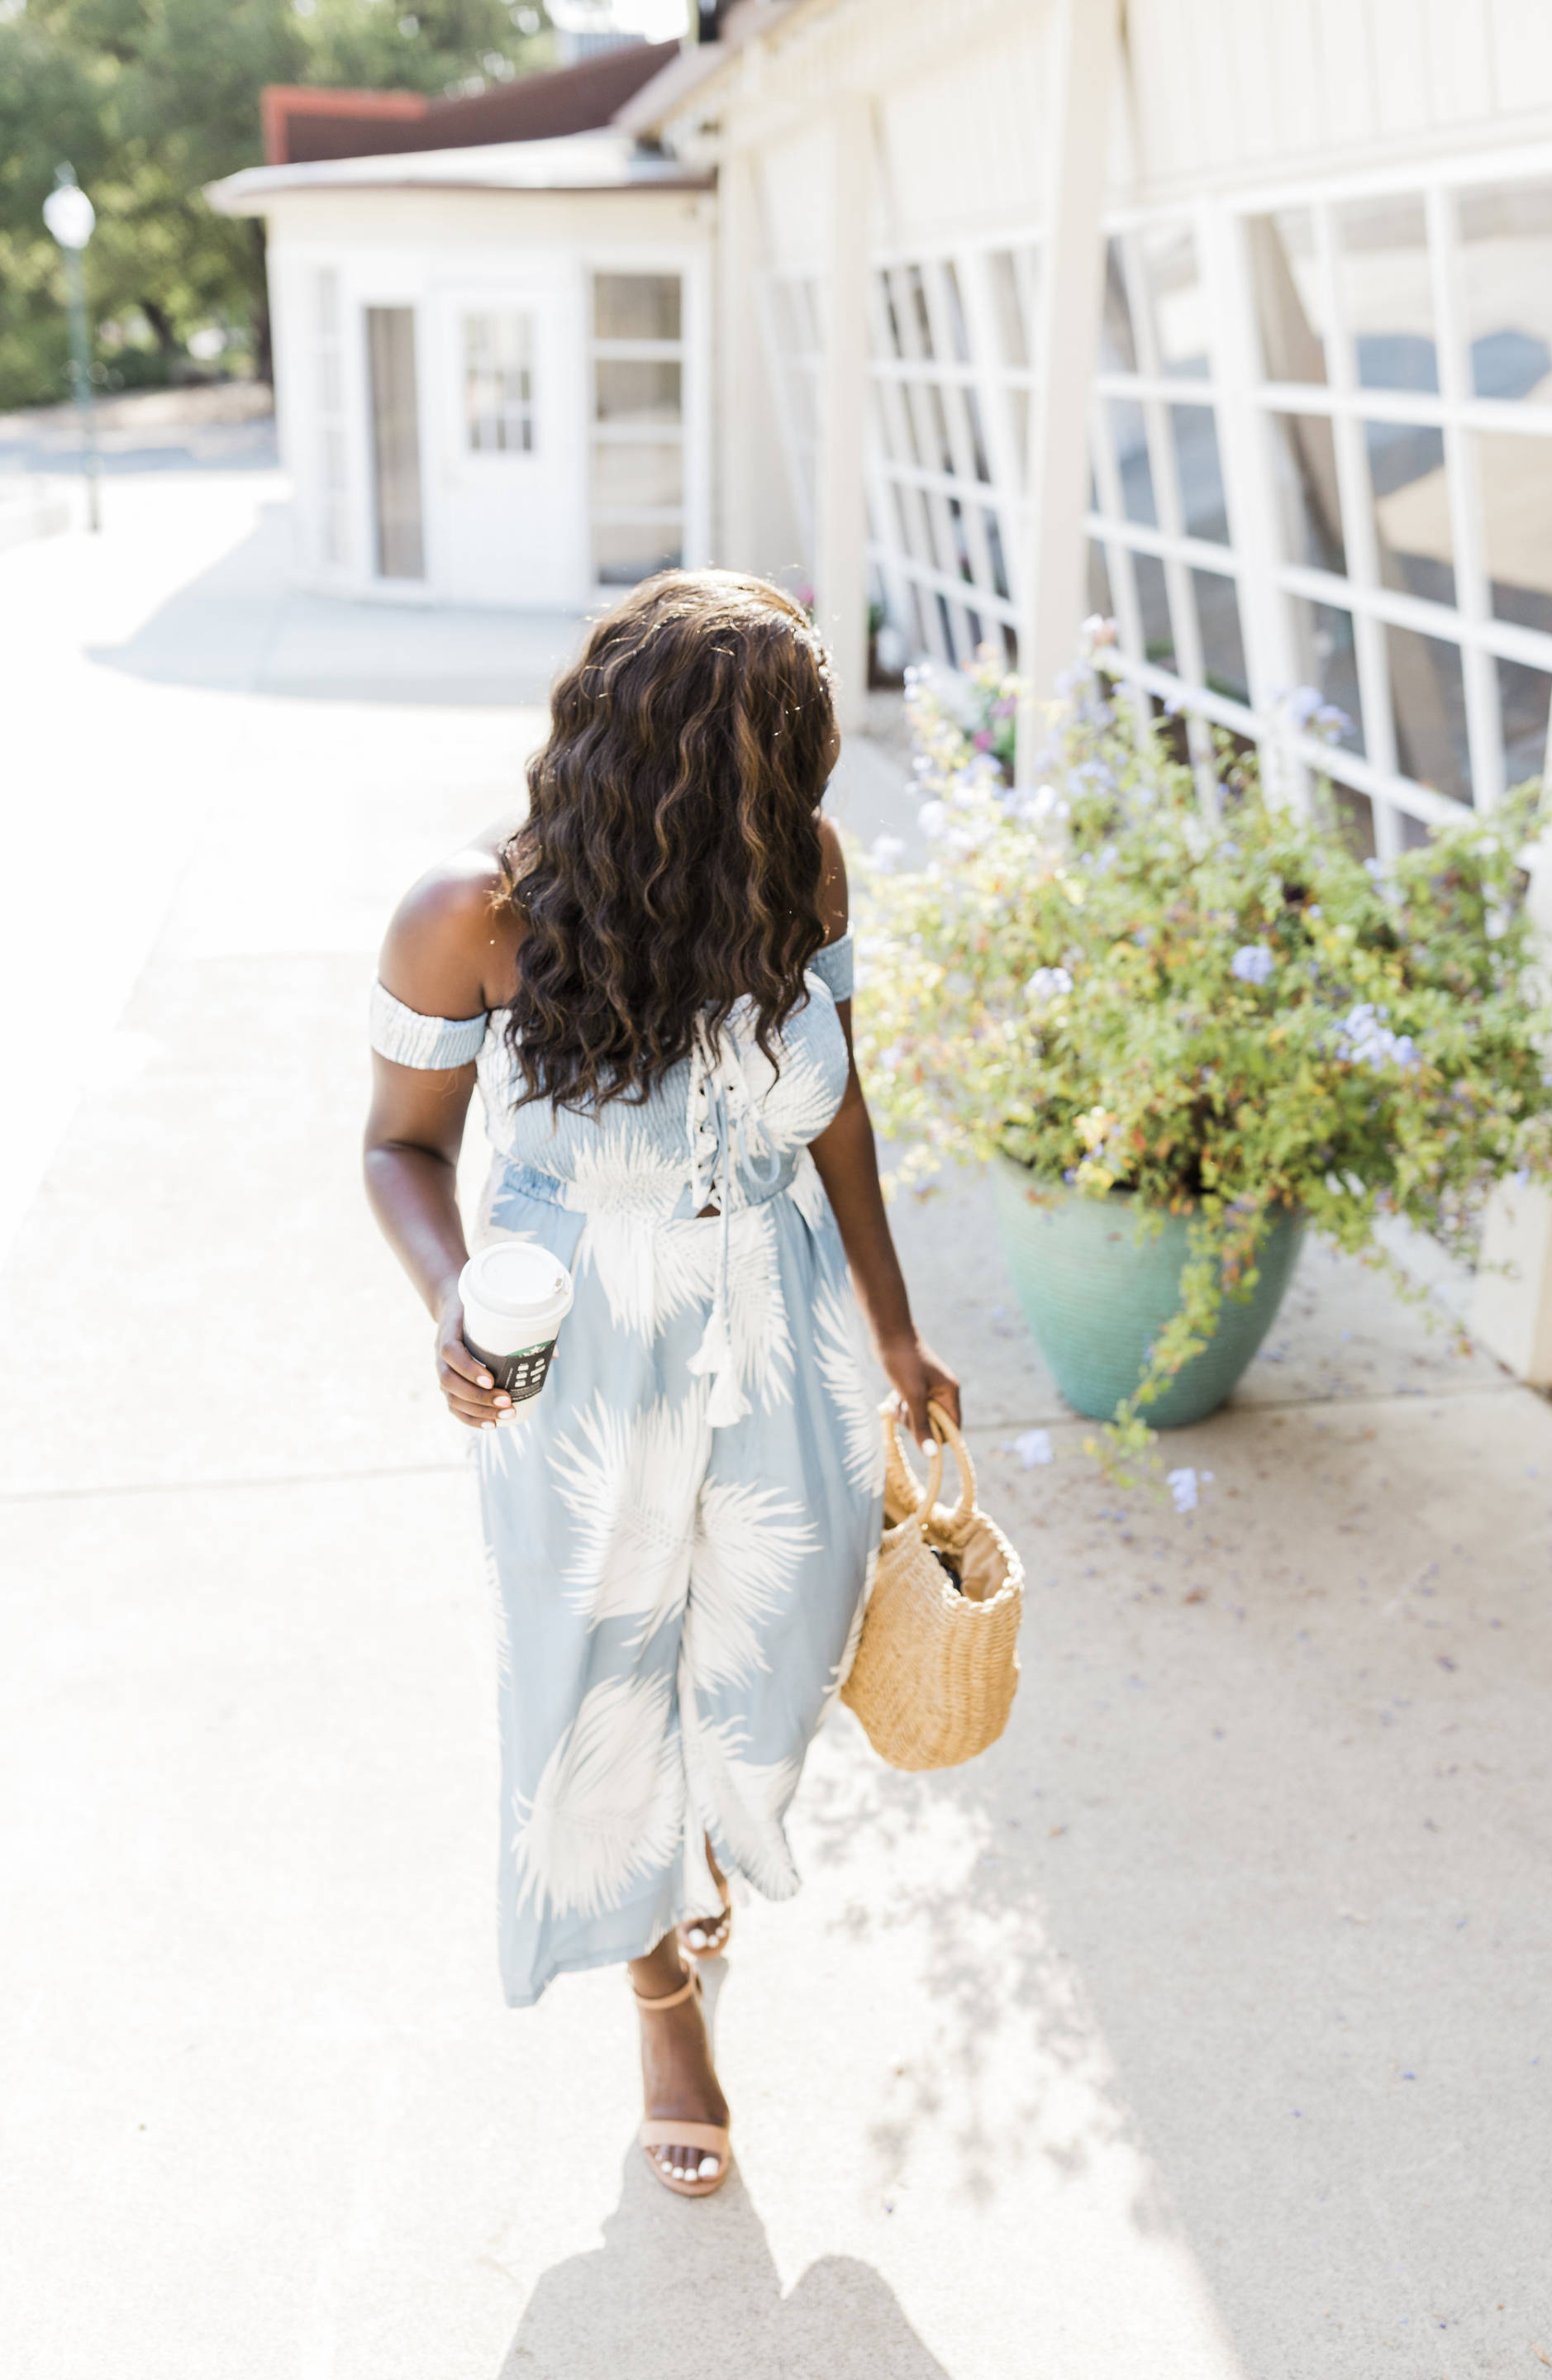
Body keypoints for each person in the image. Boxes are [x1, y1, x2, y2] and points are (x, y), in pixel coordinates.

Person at [364, 571, 959, 2198]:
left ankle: (685, 1858)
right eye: (782, 770)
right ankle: (658, 1987)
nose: (801, 804)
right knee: (592, 1682)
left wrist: (897, 1330)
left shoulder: (802, 876)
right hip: (582, 1363)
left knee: (773, 1654)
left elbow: (840, 1109)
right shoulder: (469, 916)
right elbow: (399, 1147)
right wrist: (448, 1310)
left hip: (784, 1323)